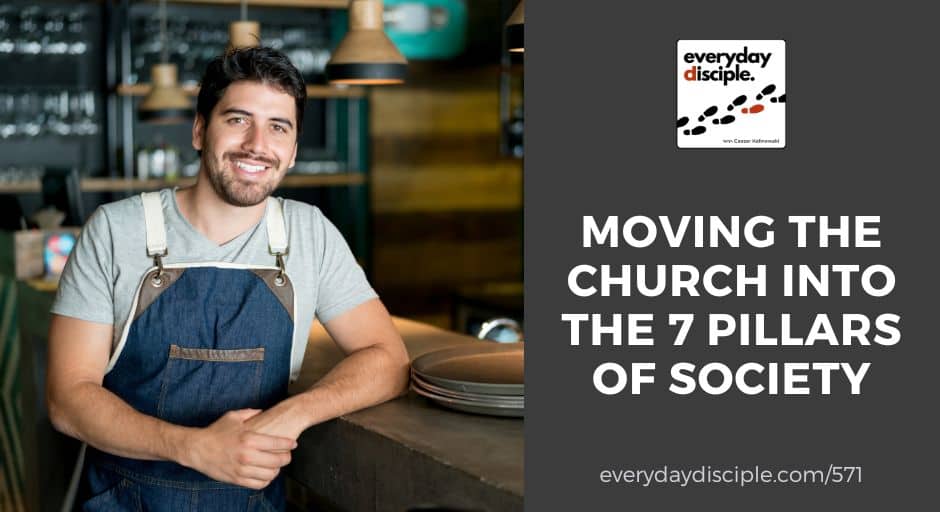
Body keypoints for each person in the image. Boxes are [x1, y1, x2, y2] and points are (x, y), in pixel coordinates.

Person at [45, 47, 410, 511]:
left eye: (278, 127)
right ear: (200, 130)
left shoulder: (308, 233)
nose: (257, 144)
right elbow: (67, 397)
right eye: (238, 119)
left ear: (294, 150)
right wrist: (194, 448)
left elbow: (388, 358)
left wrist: (288, 418)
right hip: (124, 500)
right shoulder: (117, 230)